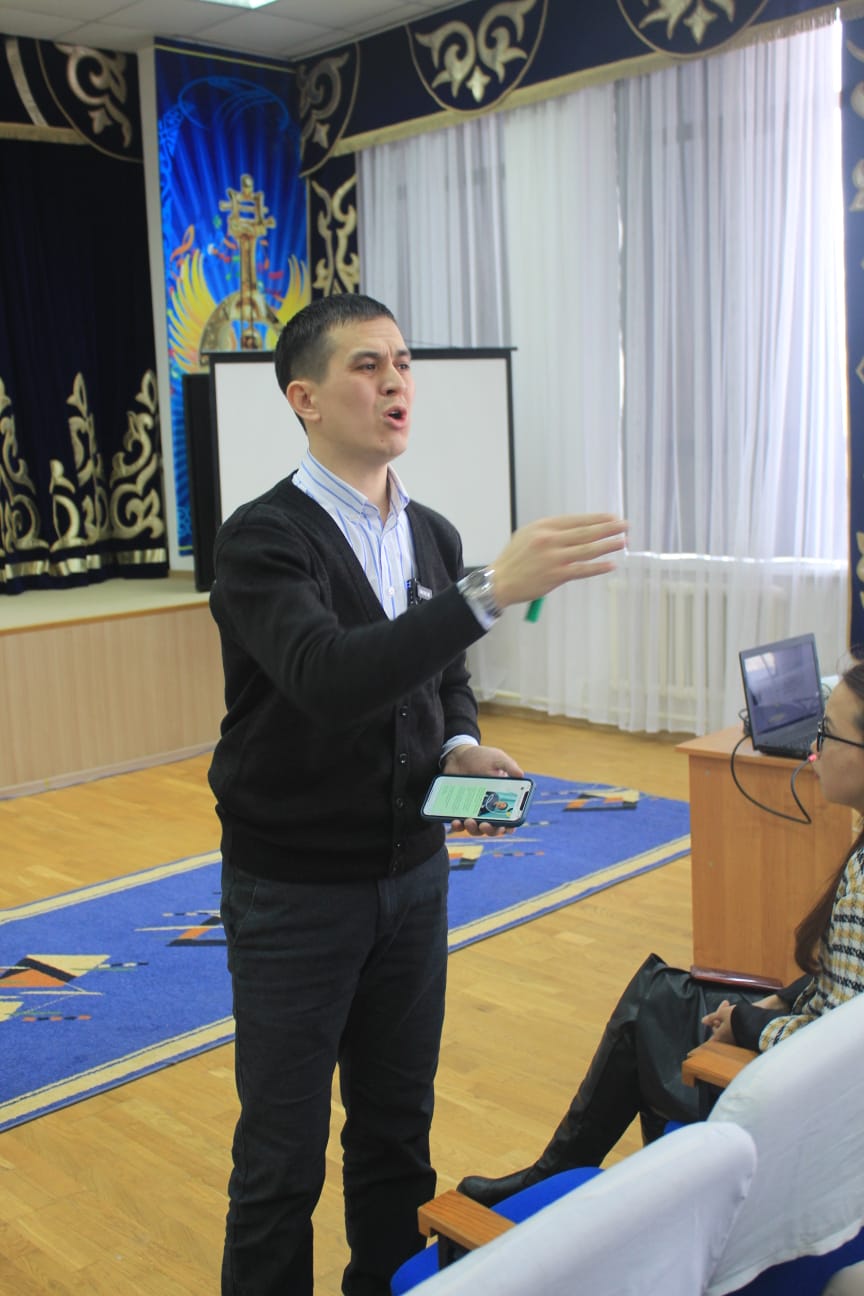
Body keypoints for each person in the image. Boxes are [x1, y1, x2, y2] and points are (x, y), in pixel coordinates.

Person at [208, 292, 628, 1296]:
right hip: (294, 894)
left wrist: (461, 744)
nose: (395, 380)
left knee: (398, 1136)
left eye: (402, 362)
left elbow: (441, 680)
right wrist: (490, 591)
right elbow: (329, 679)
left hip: (414, 878)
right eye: (367, 365)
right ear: (305, 399)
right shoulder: (262, 540)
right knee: (280, 1159)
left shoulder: (430, 532)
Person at [457, 654, 864, 1209]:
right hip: (800, 1027)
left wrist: (747, 1024)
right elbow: (845, 986)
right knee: (656, 996)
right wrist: (778, 998)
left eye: (827, 733)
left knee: (650, 1008)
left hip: (805, 1094)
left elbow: (837, 1047)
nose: (813, 748)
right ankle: (567, 1175)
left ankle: (571, 1182)